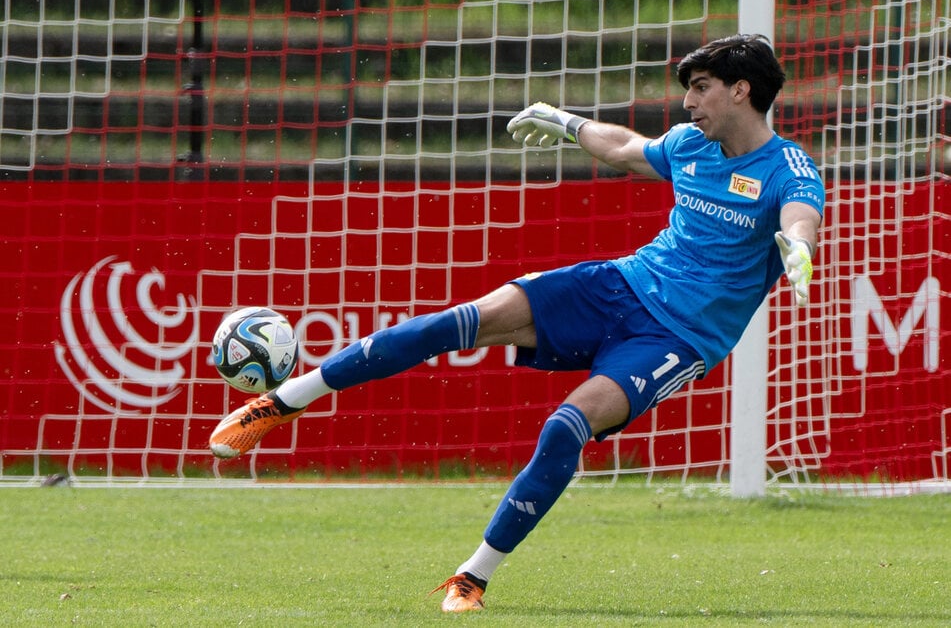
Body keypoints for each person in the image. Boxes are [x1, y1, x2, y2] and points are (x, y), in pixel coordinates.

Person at [209, 34, 824, 613]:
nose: (689, 101)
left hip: (677, 338)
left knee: (565, 428)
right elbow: (623, 149)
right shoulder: (693, 145)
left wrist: (797, 247)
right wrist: (564, 121)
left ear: (741, 90)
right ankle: (283, 403)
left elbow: (799, 217)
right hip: (618, 284)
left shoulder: (788, 167)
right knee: (454, 323)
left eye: (702, 86)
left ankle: (472, 576)